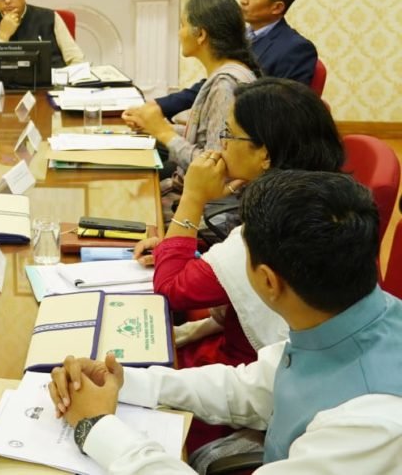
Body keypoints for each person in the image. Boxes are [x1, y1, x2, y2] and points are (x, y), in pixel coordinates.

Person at [49, 170, 402, 475]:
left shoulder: (373, 424)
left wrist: (96, 428)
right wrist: (125, 382)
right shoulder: (348, 317)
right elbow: (253, 389)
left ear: (268, 281)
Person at [133, 79, 346, 369]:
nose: (221, 144)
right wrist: (180, 249)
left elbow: (170, 292)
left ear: (265, 155)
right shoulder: (319, 193)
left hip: (252, 369)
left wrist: (193, 197)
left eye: (229, 134)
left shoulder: (276, 224)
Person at [123, 0, 259, 216]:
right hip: (199, 198)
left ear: (201, 34)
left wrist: (164, 132)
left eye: (183, 25)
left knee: (126, 206)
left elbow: (214, 170)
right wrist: (152, 126)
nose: (179, 33)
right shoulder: (230, 73)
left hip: (209, 210)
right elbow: (208, 137)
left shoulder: (225, 85)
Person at [154, 0, 317, 120]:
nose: (243, 0)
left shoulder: (295, 49)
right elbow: (213, 84)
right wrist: (159, 106)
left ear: (277, 7)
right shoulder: (242, 35)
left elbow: (284, 114)